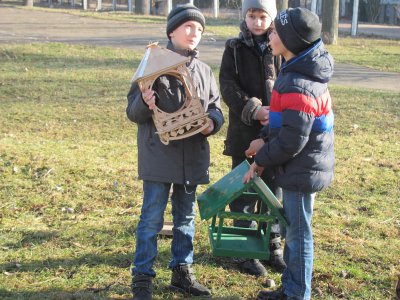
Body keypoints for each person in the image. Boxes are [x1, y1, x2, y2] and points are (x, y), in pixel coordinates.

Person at [126, 4, 224, 299]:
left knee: (185, 219)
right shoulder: (151, 65)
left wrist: (212, 123)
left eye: (200, 30)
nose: (195, 33)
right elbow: (132, 112)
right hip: (159, 156)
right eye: (189, 27)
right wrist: (145, 102)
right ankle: (142, 275)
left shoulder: (204, 71)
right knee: (152, 218)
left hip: (192, 158)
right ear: (172, 31)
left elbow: (216, 108)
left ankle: (182, 271)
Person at [243, 7, 335, 300]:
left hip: (302, 171)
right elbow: (284, 124)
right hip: (298, 168)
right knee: (294, 231)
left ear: (291, 42)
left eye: (276, 32)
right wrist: (263, 141)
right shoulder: (294, 70)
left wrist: (261, 159)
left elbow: (293, 140)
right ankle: (291, 288)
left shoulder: (299, 83)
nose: (270, 33)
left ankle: (297, 294)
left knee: (298, 235)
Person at [219, 0, 285, 276]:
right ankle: (245, 249)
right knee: (244, 191)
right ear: (244, 17)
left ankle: (272, 245)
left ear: (271, 19)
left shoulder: (280, 48)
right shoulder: (234, 49)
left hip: (277, 133)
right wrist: (254, 110)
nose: (257, 22)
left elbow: (287, 82)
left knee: (273, 191)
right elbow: (227, 85)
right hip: (244, 133)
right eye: (252, 15)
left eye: (262, 16)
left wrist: (277, 113)